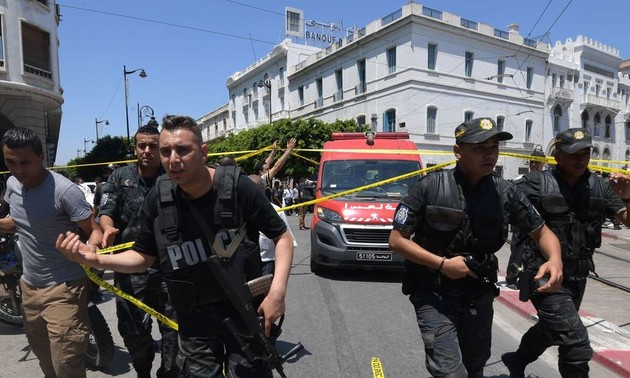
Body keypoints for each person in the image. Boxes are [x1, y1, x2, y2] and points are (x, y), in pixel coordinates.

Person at [56, 115, 295, 377]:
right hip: (195, 317)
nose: (173, 158)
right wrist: (94, 259)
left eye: (182, 150)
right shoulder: (159, 197)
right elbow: (142, 257)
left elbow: (281, 237)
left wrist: (277, 292)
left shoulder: (237, 187)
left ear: (203, 152)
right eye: (166, 151)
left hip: (243, 309)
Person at [388, 117, 563, 378]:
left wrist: (555, 259)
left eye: (493, 147)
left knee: (475, 366)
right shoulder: (429, 187)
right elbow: (397, 240)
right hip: (434, 293)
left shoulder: (506, 192)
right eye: (480, 148)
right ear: (458, 152)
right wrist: (443, 265)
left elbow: (542, 231)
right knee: (450, 372)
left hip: (478, 293)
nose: (489, 154)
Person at [502, 128, 630, 378]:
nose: (580, 159)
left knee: (553, 329)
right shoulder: (536, 183)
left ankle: (517, 359)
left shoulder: (600, 187)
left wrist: (628, 197)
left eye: (585, 153)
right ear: (557, 155)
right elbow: (501, 202)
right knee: (576, 342)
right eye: (573, 154)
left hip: (577, 275)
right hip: (543, 273)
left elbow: (626, 219)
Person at [0, 127, 103, 378]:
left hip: (64, 288)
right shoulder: (13, 184)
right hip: (29, 288)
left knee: (66, 364)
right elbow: (21, 222)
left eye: (25, 162)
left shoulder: (65, 191)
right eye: (10, 162)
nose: (18, 169)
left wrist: (91, 249)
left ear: (42, 157)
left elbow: (94, 230)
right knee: (45, 359)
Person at [98, 125, 179, 378]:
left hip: (170, 266)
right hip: (131, 268)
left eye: (153, 146)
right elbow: (105, 212)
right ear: (135, 148)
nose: (147, 151)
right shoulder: (120, 177)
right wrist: (107, 230)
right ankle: (143, 371)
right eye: (142, 145)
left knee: (174, 331)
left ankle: (168, 373)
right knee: (133, 331)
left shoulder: (173, 176)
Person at [506, 147, 548, 287]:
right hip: (522, 221)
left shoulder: (547, 181)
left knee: (536, 251)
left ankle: (530, 277)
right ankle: (512, 277)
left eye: (537, 162)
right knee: (518, 249)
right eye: (532, 162)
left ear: (544, 163)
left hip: (539, 222)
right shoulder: (522, 179)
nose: (534, 165)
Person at [249, 174, 298, 276]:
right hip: (247, 263)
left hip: (268, 263)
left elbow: (288, 242)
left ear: (261, 191)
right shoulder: (239, 211)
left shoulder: (276, 211)